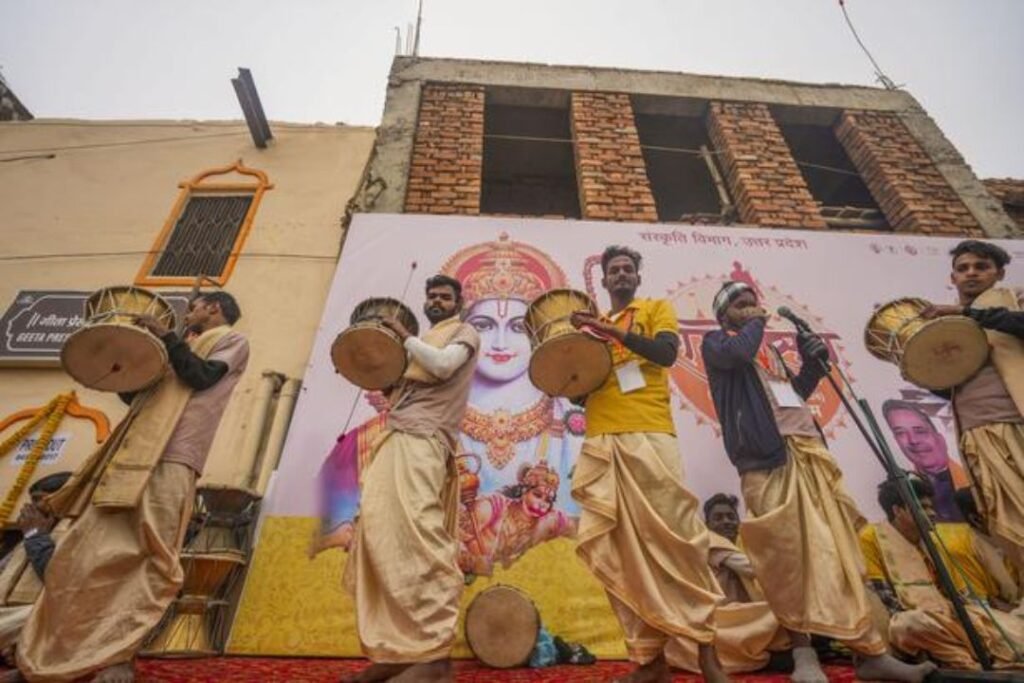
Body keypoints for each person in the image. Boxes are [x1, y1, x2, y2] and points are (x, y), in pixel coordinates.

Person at [5, 291, 248, 683]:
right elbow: (135, 394)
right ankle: (40, 660)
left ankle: (120, 658)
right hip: (127, 454)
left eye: (198, 306)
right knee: (80, 558)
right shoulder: (176, 347)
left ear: (214, 308)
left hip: (173, 457)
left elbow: (200, 377)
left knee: (148, 558)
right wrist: (128, 359)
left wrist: (167, 338)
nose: (192, 312)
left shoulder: (231, 341)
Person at [701, 281, 935, 683]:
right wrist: (754, 323)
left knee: (839, 555)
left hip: (808, 455)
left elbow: (793, 395)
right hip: (767, 465)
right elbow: (737, 352)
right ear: (724, 316)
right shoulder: (718, 343)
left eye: (753, 303)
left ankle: (870, 654)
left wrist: (812, 363)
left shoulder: (768, 351)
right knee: (786, 560)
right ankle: (804, 656)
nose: (752, 309)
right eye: (740, 305)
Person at [314, 234, 583, 573]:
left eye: (516, 327)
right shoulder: (370, 435)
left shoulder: (573, 431)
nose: (498, 342)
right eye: (485, 325)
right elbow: (330, 528)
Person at [568, 245, 727, 683]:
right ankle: (649, 662)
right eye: (613, 270)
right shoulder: (592, 329)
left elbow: (665, 355)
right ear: (602, 281)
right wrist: (565, 363)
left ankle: (707, 652)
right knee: (621, 551)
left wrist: (610, 333)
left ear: (637, 278)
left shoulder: (657, 309)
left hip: (651, 432)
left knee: (680, 540)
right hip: (603, 438)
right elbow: (577, 389)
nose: (620, 275)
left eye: (627, 269)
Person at [340, 275, 480, 683]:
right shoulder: (423, 341)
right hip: (398, 437)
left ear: (458, 301)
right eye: (431, 296)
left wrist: (401, 335)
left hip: (424, 442)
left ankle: (434, 655)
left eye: (444, 296)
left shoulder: (462, 331)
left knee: (420, 535)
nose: (436, 301)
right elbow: (392, 384)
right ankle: (399, 653)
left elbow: (442, 366)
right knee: (383, 534)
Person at [922, 240, 1024, 570]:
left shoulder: (1012, 302)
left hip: (1015, 426)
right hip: (976, 435)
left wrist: (965, 313)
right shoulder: (951, 329)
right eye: (963, 268)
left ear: (1000, 273)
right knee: (1006, 523)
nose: (971, 274)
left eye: (981, 267)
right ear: (952, 278)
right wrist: (920, 371)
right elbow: (954, 390)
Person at [860, 477, 1024, 669]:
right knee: (911, 623)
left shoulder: (931, 541)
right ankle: (974, 663)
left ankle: (972, 662)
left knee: (990, 621)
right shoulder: (871, 537)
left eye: (931, 507)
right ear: (897, 511)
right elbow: (883, 600)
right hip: (912, 625)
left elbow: (953, 592)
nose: (932, 513)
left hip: (947, 618)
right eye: (923, 507)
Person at [666, 494, 789, 675]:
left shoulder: (737, 547)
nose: (726, 522)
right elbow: (755, 570)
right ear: (707, 525)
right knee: (785, 610)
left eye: (731, 517)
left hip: (732, 616)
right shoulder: (710, 541)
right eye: (718, 518)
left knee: (776, 608)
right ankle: (766, 657)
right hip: (714, 618)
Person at [0, 473, 71, 660]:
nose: (35, 508)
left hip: (49, 611)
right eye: (33, 501)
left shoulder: (76, 530)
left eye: (42, 500)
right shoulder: (31, 530)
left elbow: (58, 580)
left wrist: (35, 536)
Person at [882, 400, 968, 522]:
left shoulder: (973, 475)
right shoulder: (909, 492)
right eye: (900, 433)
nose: (913, 440)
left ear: (940, 438)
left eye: (919, 431)